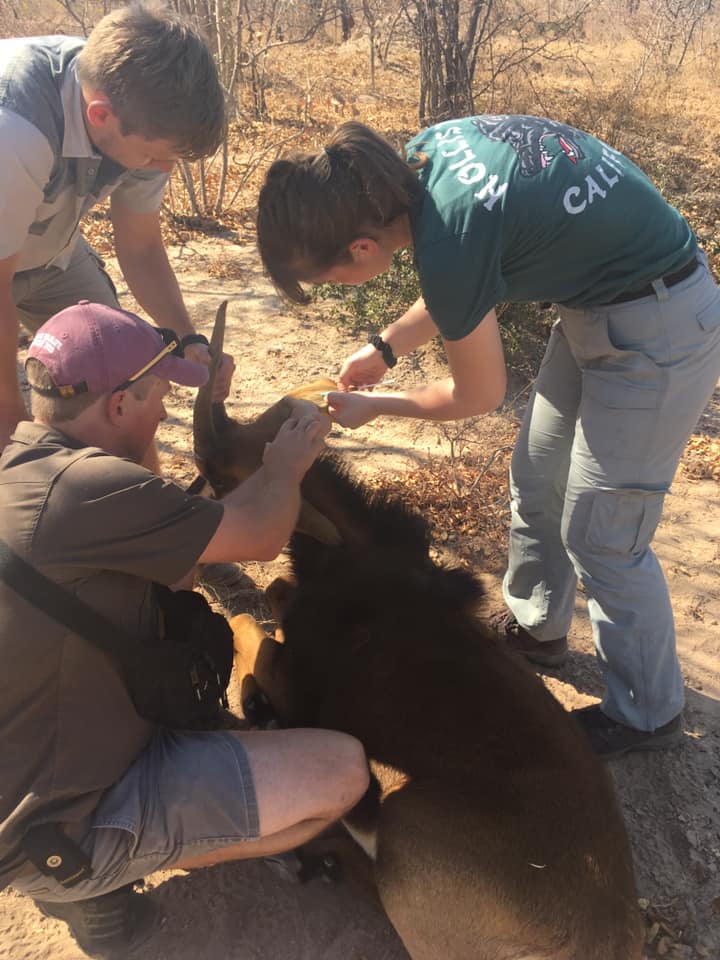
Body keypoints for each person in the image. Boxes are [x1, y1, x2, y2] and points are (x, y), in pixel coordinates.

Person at [256, 115, 720, 759]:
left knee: (605, 533)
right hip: (601, 304)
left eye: (329, 277)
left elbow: (477, 395)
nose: (336, 285)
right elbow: (465, 279)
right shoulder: (413, 163)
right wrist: (385, 347)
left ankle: (648, 713)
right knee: (538, 478)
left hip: (661, 325)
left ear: (362, 248)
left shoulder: (447, 234)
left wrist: (374, 405)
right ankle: (538, 626)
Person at [0, 301, 369, 959]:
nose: (167, 412)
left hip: (28, 776)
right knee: (341, 774)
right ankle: (85, 884)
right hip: (55, 827)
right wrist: (285, 466)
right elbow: (259, 535)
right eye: (158, 396)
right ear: (116, 408)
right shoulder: (92, 490)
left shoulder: (31, 471)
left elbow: (177, 571)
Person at [0, 2, 226, 456]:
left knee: (125, 381)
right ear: (99, 115)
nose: (164, 168)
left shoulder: (145, 113)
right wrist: (10, 418)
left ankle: (136, 513)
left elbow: (141, 247)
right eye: (156, 157)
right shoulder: (16, 128)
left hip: (49, 251)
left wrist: (187, 339)